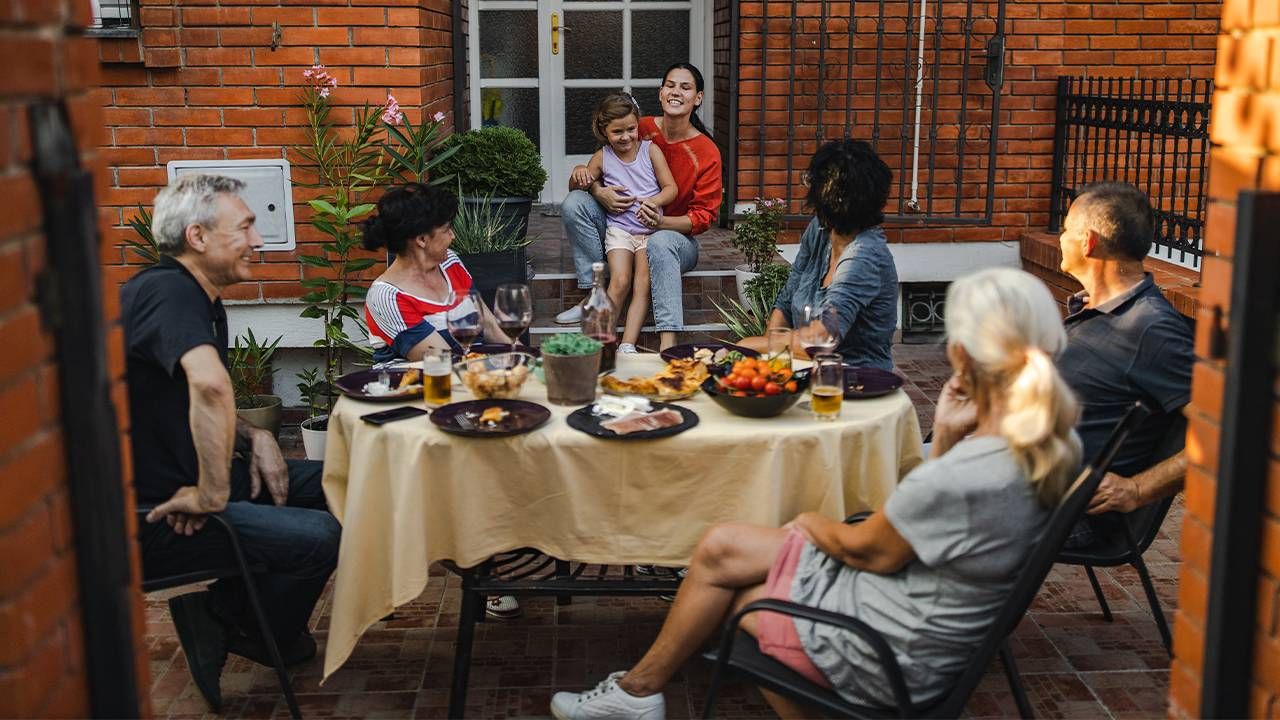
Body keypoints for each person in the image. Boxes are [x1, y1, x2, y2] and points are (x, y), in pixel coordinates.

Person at [550, 268, 1082, 719]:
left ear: (961, 356)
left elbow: (867, 548)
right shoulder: (1054, 443)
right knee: (722, 552)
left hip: (895, 646)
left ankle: (639, 692)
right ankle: (638, 692)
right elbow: (930, 525)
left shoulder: (966, 475)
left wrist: (808, 521)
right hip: (928, 617)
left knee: (737, 595)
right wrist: (942, 435)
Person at [122, 174, 342, 712]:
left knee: (347, 482)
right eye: (244, 226)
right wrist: (211, 493)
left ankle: (250, 620)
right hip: (160, 514)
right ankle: (231, 619)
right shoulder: (167, 290)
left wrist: (256, 433)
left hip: (194, 490)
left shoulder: (193, 294)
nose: (259, 241)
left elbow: (186, 392)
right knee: (321, 534)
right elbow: (211, 383)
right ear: (197, 237)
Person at [1054, 182, 1194, 545]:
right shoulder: (1090, 308)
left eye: (1065, 228)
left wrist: (1137, 489)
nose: (1059, 237)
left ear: (1087, 242)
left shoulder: (1152, 328)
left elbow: (1226, 431)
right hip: (1009, 478)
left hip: (1058, 513)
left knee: (906, 509)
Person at [556, 63, 723, 350]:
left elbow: (703, 217)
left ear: (698, 98)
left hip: (674, 237)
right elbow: (600, 166)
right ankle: (594, 295)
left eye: (685, 87)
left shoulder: (705, 151)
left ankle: (663, 344)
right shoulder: (638, 127)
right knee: (575, 203)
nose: (676, 92)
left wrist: (660, 223)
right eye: (670, 85)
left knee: (658, 245)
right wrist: (600, 192)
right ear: (660, 93)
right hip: (623, 225)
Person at [740, 139, 898, 370]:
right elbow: (786, 300)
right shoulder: (820, 229)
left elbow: (823, 338)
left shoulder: (865, 256)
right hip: (806, 371)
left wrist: (752, 345)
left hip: (854, 382)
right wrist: (770, 364)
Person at [572, 92, 678, 353]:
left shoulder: (650, 151)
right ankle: (600, 340)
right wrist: (578, 172)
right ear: (604, 131)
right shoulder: (602, 157)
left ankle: (627, 344)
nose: (626, 137)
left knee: (642, 284)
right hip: (619, 230)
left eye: (631, 129)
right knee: (619, 281)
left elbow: (670, 188)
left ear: (637, 124)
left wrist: (653, 202)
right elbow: (579, 185)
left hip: (650, 232)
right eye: (617, 131)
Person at [361, 182, 512, 363]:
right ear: (422, 239)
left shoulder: (450, 262)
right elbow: (442, 361)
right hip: (418, 385)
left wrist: (522, 360)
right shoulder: (386, 296)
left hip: (475, 372)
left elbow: (488, 324)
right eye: (447, 229)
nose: (453, 236)